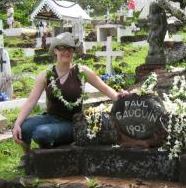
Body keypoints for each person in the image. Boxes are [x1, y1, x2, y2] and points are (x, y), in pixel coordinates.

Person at [12, 32, 128, 165]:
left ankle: (53, 151)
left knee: (41, 133)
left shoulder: (82, 72)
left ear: (74, 51)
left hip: (72, 123)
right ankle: (28, 156)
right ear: (55, 50)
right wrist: (17, 123)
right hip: (51, 117)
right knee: (24, 127)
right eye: (62, 48)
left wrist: (118, 96)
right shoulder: (45, 75)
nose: (66, 52)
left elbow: (105, 88)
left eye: (70, 49)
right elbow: (31, 101)